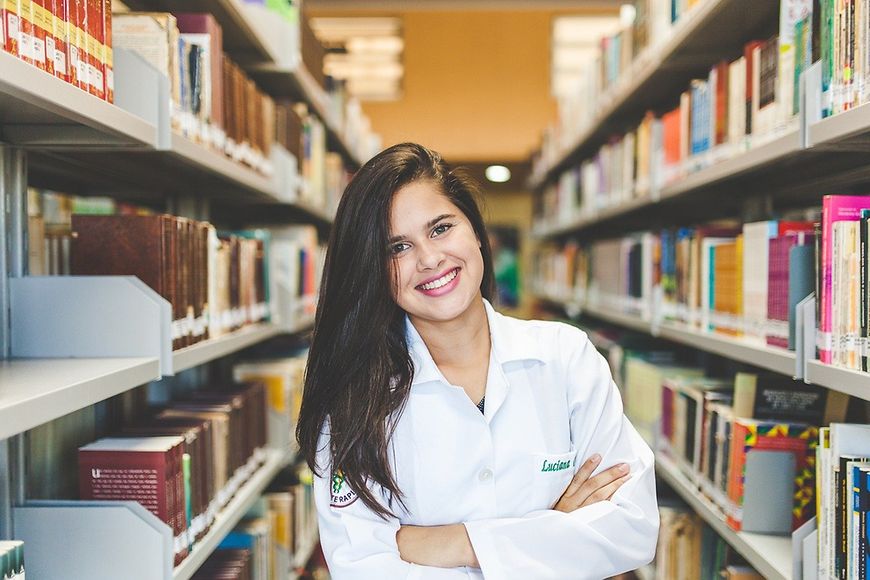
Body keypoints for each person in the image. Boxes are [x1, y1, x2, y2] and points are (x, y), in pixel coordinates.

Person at [296, 143, 659, 579]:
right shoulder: (353, 400)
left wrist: (458, 543)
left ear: (476, 230)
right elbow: (363, 569)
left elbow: (631, 528)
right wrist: (553, 530)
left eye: (440, 228)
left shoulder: (565, 357)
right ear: (373, 268)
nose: (429, 259)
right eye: (397, 247)